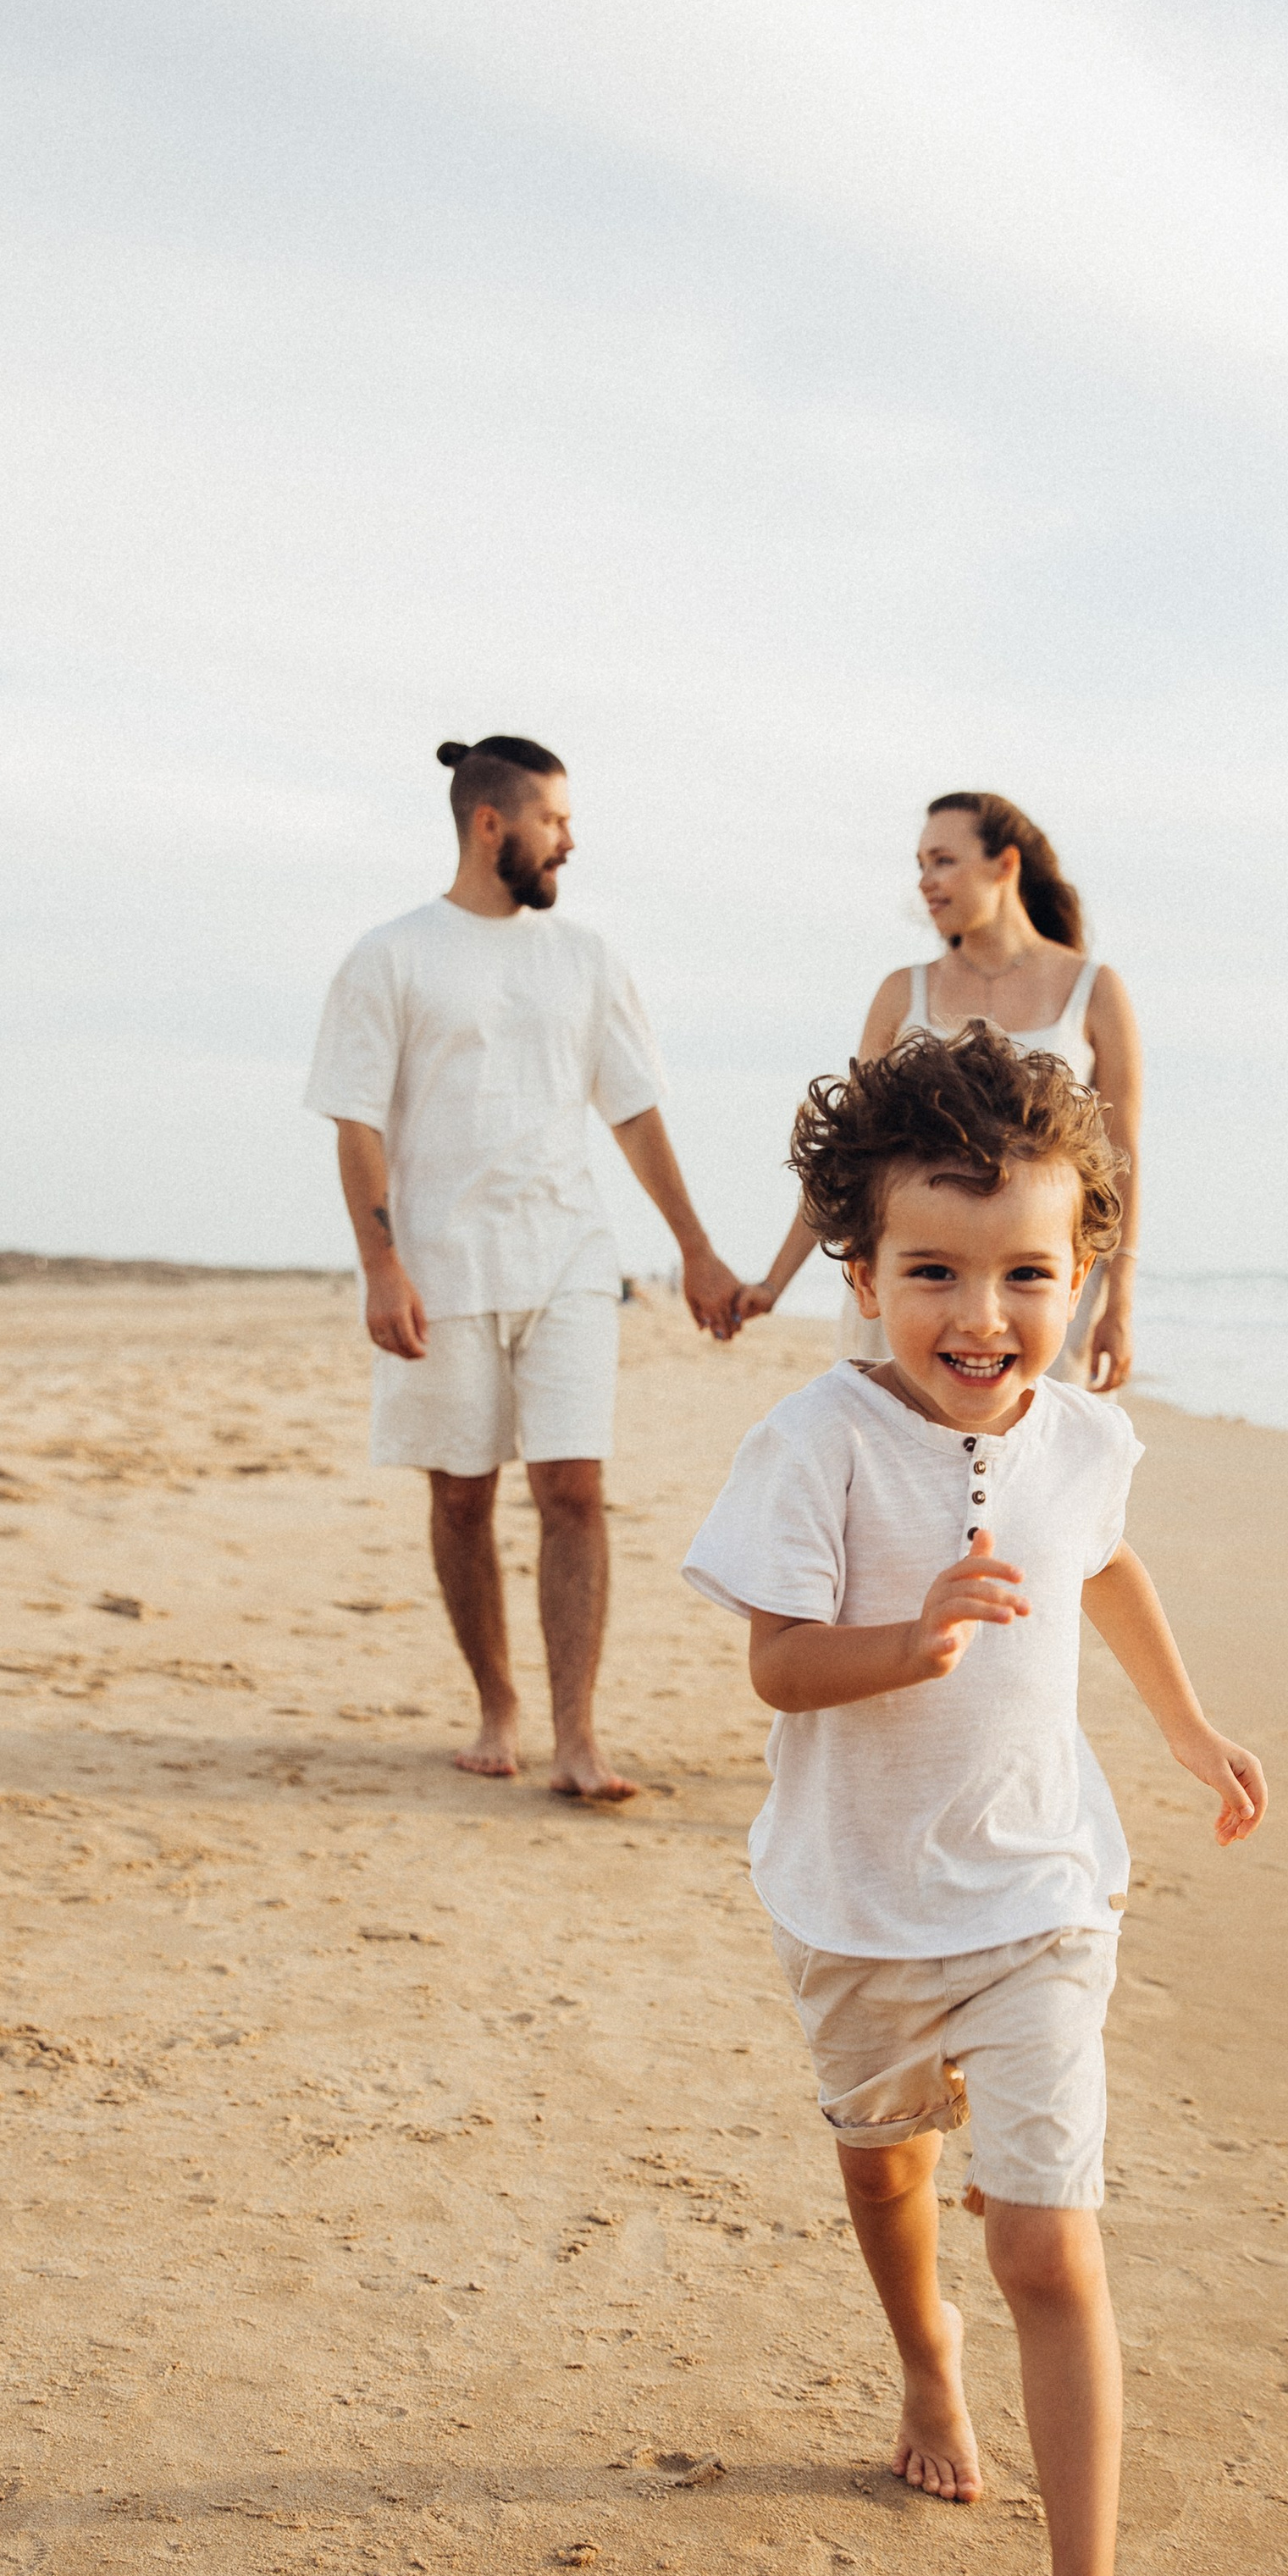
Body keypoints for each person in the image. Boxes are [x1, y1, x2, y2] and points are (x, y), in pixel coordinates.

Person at [683, 1024, 1264, 2576]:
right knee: (885, 2176)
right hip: (854, 1899)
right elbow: (777, 1668)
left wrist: (1185, 1727)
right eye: (931, 1271)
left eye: (1025, 1273)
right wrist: (905, 1641)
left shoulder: (1076, 1436)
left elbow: (1105, 1569)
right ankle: (925, 2380)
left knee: (1042, 2239)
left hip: (1036, 1894)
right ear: (857, 1273)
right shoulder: (811, 1446)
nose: (981, 1318)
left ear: (1082, 1272)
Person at [306, 734, 742, 1799]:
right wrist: (381, 1264)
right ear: (490, 823)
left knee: (574, 1490)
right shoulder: (391, 954)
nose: (570, 841)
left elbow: (633, 1111)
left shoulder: (586, 958)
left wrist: (693, 1245)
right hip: (443, 1268)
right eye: (555, 821)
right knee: (461, 1497)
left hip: (568, 1259)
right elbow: (355, 1121)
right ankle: (497, 1703)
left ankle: (577, 1733)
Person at [733, 792, 1144, 1390]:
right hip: (918, 1283)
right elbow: (850, 1159)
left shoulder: (1095, 989)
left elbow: (1121, 1158)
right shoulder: (903, 993)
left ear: (1004, 866)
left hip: (1027, 1288)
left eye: (943, 861)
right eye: (921, 864)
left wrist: (1119, 1303)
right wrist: (774, 1282)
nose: (925, 881)